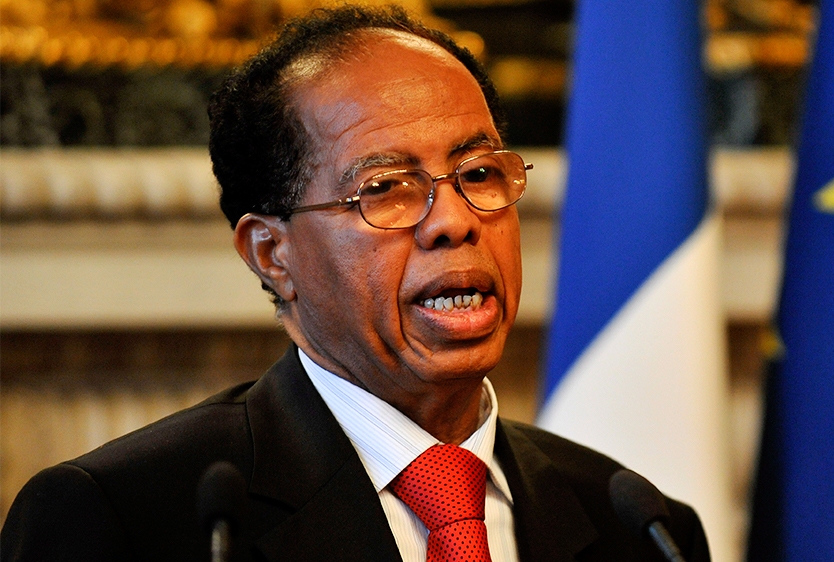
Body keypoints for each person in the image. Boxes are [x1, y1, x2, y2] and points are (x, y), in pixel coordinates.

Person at [0, 5, 711, 561]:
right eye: (387, 188)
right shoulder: (134, 521)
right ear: (272, 253)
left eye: (479, 174)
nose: (454, 221)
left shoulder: (639, 527)